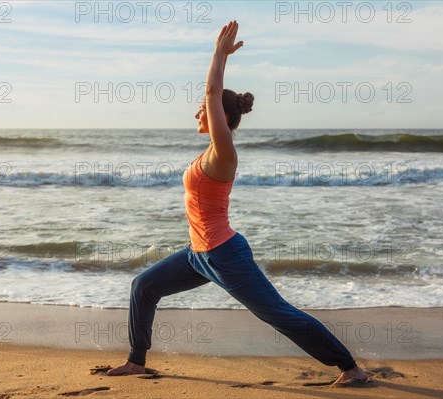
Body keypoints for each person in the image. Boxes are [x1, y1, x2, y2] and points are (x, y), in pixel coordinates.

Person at [107, 20, 368, 385]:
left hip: (225, 254)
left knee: (276, 313)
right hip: (197, 255)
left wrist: (218, 55)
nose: (197, 113)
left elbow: (213, 93)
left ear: (221, 117)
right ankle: (136, 361)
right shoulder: (209, 152)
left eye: (202, 109)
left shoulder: (224, 150)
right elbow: (212, 100)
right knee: (144, 286)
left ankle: (350, 367)